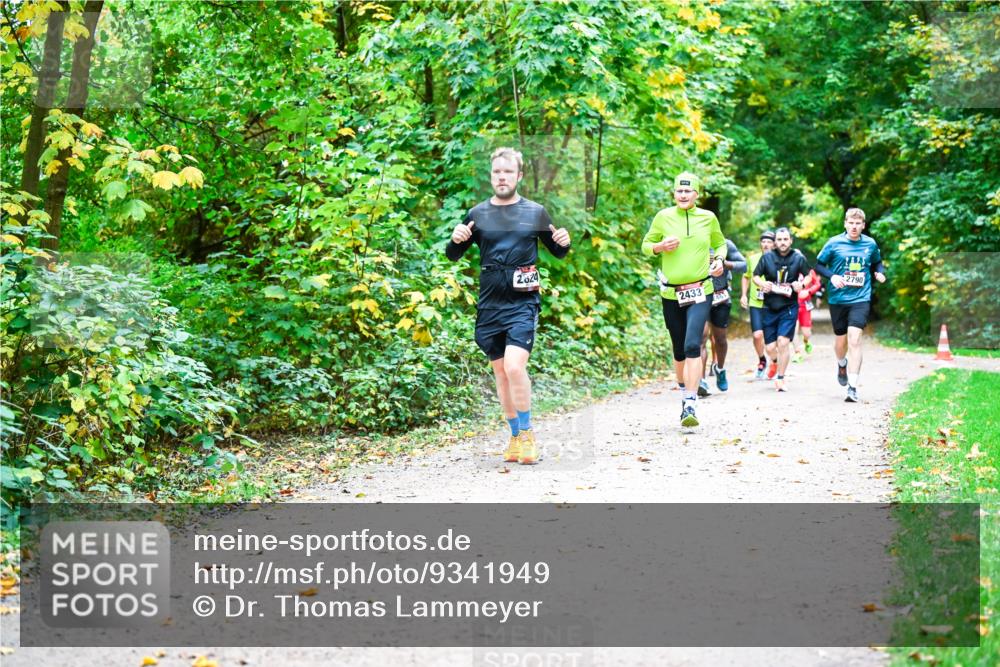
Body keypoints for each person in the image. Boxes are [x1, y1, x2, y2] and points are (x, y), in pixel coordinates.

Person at [446, 147, 571, 463]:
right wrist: (456, 239)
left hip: (522, 303)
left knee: (515, 366)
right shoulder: (477, 214)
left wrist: (564, 243)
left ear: (519, 176)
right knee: (501, 373)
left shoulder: (535, 212)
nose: (501, 177)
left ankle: (528, 434)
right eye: (496, 172)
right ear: (491, 176)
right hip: (490, 305)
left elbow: (557, 252)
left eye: (507, 172)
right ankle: (515, 437)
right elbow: (452, 255)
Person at [642, 172, 726, 427]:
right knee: (679, 349)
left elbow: (720, 244)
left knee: (693, 344)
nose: (683, 195)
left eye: (688, 191)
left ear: (696, 194)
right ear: (674, 193)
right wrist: (659, 247)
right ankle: (683, 392)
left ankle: (691, 402)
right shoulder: (663, 217)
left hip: (701, 289)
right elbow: (646, 245)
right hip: (671, 292)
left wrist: (719, 260)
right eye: (679, 191)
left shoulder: (707, 218)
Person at [815, 207, 886, 402]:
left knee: (855, 340)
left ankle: (852, 387)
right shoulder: (834, 243)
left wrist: (879, 272)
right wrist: (833, 276)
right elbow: (819, 265)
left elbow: (877, 262)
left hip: (860, 299)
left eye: (858, 224)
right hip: (838, 299)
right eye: (851, 223)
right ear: (845, 223)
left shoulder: (870, 244)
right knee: (841, 342)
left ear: (863, 225)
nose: (854, 227)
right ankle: (841, 363)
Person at [752, 227, 809, 392]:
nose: (783, 242)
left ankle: (781, 378)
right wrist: (762, 283)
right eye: (780, 240)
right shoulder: (767, 258)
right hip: (769, 307)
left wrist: (802, 284)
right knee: (770, 347)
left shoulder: (798, 258)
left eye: (786, 239)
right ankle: (775, 363)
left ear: (791, 241)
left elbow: (809, 274)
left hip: (789, 307)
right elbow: (755, 276)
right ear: (775, 242)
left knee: (783, 342)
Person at [700, 238, 747, 393]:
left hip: (720, 297)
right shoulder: (693, 241)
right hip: (699, 296)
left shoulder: (725, 244)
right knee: (702, 337)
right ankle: (701, 381)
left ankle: (720, 368)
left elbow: (744, 265)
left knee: (720, 339)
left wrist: (725, 264)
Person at [740, 230, 775, 379]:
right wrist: (743, 295)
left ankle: (775, 362)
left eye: (769, 242)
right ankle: (762, 360)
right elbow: (746, 277)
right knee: (757, 335)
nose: (766, 244)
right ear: (760, 243)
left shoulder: (779, 259)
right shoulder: (752, 259)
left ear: (774, 244)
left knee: (772, 340)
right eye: (763, 241)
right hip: (756, 302)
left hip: (773, 303)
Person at [792, 268, 821, 361]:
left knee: (806, 333)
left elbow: (817, 284)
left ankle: (806, 341)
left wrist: (808, 292)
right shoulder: (788, 268)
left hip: (805, 305)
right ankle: (797, 353)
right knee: (793, 330)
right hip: (791, 305)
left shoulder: (809, 271)